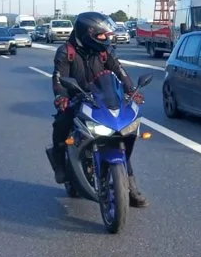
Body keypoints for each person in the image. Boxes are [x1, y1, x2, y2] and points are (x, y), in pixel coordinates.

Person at [50, 12, 148, 207]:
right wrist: (61, 97)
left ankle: (131, 185)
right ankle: (60, 163)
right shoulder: (66, 52)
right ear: (88, 34)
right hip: (77, 99)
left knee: (119, 134)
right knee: (61, 122)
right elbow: (59, 78)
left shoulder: (105, 52)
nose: (107, 38)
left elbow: (120, 72)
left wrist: (132, 91)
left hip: (103, 99)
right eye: (102, 35)